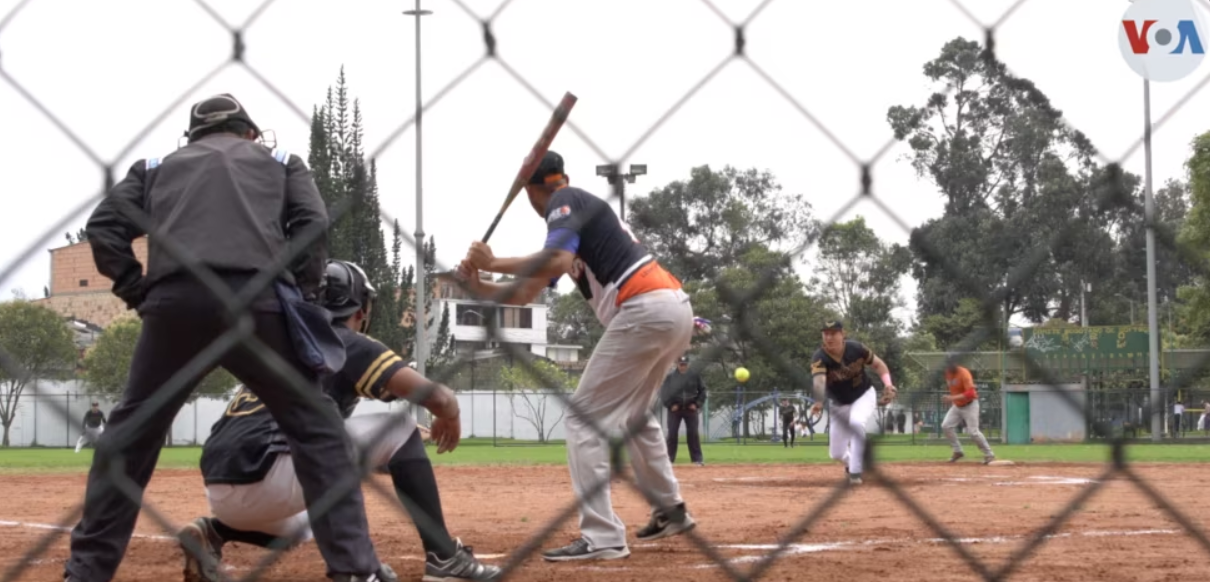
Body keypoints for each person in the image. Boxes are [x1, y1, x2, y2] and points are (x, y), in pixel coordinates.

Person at [67, 94, 386, 582]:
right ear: (249, 133)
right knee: (316, 429)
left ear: (193, 137)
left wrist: (137, 289)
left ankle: (86, 572)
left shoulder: (154, 167)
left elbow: (104, 228)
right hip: (258, 299)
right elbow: (312, 224)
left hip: (175, 302)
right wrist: (298, 294)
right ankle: (354, 570)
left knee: (130, 436)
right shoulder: (280, 161)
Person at [180, 259, 499, 582]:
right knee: (400, 427)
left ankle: (215, 531)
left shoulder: (283, 342)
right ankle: (442, 559)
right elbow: (438, 398)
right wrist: (451, 414)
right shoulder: (345, 341)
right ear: (360, 310)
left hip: (220, 487)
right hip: (274, 470)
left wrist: (390, 456)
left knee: (306, 523)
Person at [457, 150, 698, 562]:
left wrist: (494, 259)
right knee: (634, 417)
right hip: (670, 309)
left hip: (645, 306)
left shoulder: (562, 201)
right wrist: (478, 286)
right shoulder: (570, 221)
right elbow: (526, 292)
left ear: (534, 190)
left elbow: (557, 260)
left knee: (583, 416)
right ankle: (670, 509)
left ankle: (603, 537)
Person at [808, 321, 897, 485]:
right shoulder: (819, 358)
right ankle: (851, 463)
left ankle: (855, 474)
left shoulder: (856, 349)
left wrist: (888, 384)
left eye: (833, 333)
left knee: (856, 423)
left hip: (863, 395)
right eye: (825, 333)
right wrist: (818, 401)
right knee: (836, 454)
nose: (829, 337)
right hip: (838, 404)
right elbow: (819, 381)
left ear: (843, 334)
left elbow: (879, 365)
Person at [942, 360, 996, 464]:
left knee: (973, 432)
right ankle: (958, 451)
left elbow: (971, 393)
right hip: (957, 405)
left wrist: (952, 397)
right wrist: (951, 399)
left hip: (970, 405)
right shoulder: (947, 373)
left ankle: (989, 454)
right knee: (946, 426)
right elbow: (954, 389)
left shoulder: (963, 373)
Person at [660, 354, 707, 465]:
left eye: (685, 365)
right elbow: (663, 393)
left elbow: (703, 391)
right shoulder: (670, 377)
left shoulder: (694, 376)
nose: (683, 367)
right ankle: (669, 460)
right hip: (675, 410)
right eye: (681, 364)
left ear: (688, 365)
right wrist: (671, 405)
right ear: (677, 364)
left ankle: (697, 459)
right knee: (672, 434)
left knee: (693, 434)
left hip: (690, 409)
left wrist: (697, 404)